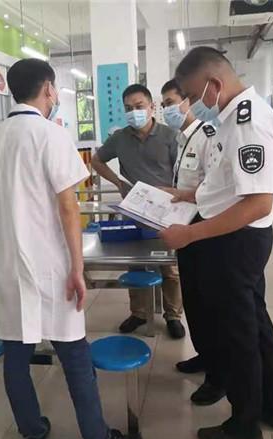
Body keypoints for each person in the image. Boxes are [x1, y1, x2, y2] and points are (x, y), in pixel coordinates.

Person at [0, 58, 139, 439]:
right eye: (55, 87)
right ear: (47, 89)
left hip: (10, 267)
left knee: (16, 358)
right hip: (52, 266)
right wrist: (78, 268)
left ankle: (33, 431)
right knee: (75, 356)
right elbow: (68, 208)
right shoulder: (52, 135)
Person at [159, 47, 273, 439]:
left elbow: (258, 203)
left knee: (239, 334)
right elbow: (229, 184)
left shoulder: (248, 123)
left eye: (192, 94)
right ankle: (271, 408)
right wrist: (187, 195)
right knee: (255, 325)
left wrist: (190, 235)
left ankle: (244, 426)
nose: (192, 103)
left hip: (237, 240)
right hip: (237, 236)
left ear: (213, 84)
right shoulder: (235, 118)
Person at [91, 84, 185, 339]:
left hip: (166, 211)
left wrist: (177, 194)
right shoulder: (120, 139)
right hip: (134, 210)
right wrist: (118, 182)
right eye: (128, 108)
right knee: (136, 264)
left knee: (170, 268)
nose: (134, 112)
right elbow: (97, 160)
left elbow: (182, 171)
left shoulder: (170, 136)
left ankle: (173, 315)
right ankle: (139, 312)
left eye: (139, 106)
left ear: (152, 107)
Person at [160, 79, 218, 376]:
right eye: (164, 105)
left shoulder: (208, 136)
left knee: (208, 302)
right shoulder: (182, 139)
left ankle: (217, 372)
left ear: (188, 102)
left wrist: (180, 194)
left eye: (170, 103)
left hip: (204, 228)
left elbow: (216, 189)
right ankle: (203, 354)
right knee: (192, 298)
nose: (166, 110)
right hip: (184, 226)